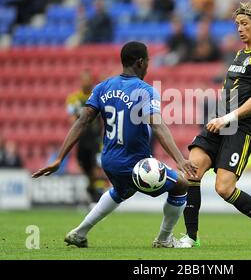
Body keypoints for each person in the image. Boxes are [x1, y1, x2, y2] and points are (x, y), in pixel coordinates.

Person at [33, 41, 197, 249]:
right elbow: (158, 126)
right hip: (134, 162)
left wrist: (59, 158)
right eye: (147, 61)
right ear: (140, 62)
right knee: (181, 185)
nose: (148, 65)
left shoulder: (102, 87)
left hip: (109, 161)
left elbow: (81, 122)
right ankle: (164, 239)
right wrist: (179, 159)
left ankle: (79, 232)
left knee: (121, 191)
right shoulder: (145, 91)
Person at [180, 2, 251, 248]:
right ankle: (190, 238)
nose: (239, 29)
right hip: (219, 121)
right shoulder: (240, 54)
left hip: (240, 128)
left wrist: (227, 117)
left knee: (224, 189)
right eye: (237, 24)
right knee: (192, 171)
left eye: (245, 24)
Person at [66, 70, 103, 203]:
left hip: (96, 139)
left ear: (91, 81)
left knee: (97, 167)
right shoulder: (73, 99)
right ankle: (91, 189)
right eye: (83, 79)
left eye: (88, 80)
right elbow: (71, 119)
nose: (85, 82)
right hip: (82, 140)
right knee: (85, 168)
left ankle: (98, 198)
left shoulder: (97, 96)